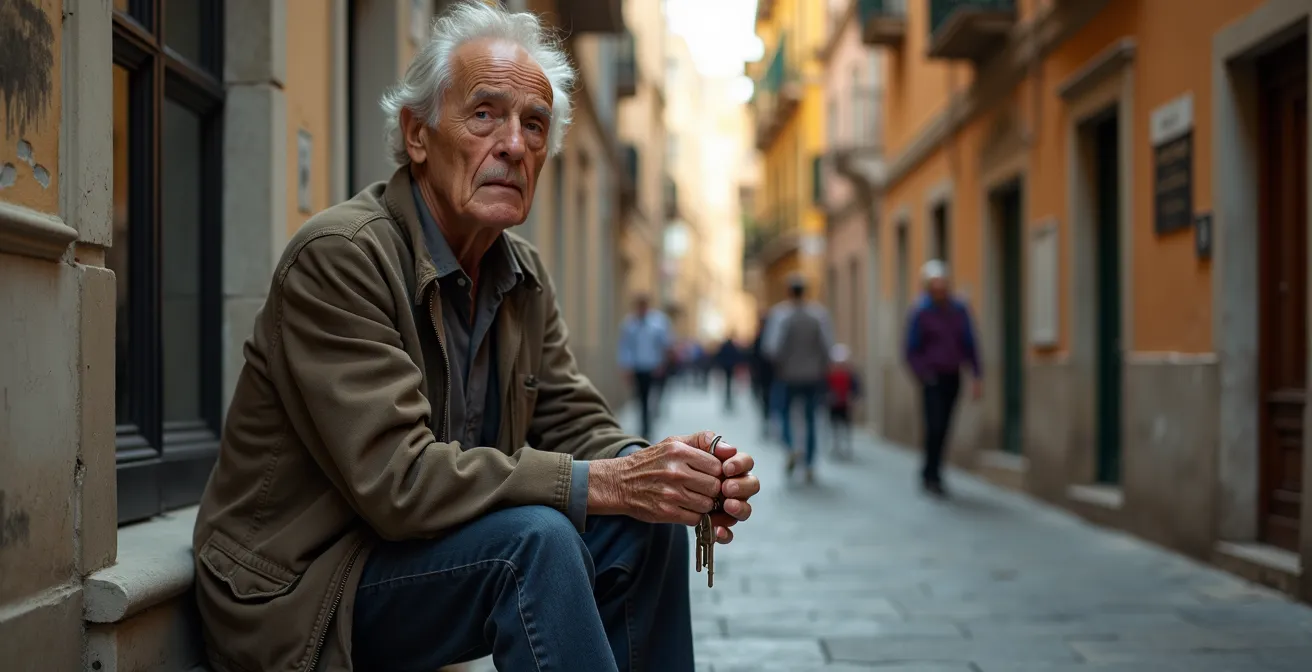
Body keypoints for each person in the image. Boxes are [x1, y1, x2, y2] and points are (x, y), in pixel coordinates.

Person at [191, 4, 761, 671]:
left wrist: (666, 472)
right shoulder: (341, 256)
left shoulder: (521, 272)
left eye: (535, 124)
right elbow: (398, 481)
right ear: (418, 135)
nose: (514, 145)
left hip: (411, 555)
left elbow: (575, 422)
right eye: (484, 114)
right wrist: (605, 482)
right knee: (536, 543)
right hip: (301, 589)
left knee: (644, 525)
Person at [904, 259, 982, 497]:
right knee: (934, 425)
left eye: (942, 283)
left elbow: (970, 343)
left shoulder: (958, 309)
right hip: (932, 378)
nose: (939, 288)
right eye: (935, 283)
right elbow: (910, 349)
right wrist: (922, 374)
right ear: (928, 286)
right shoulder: (920, 311)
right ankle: (931, 473)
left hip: (953, 376)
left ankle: (934, 470)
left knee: (945, 426)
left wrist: (978, 375)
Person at [762, 273, 835, 483]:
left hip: (787, 375)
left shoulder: (780, 315)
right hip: (813, 375)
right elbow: (827, 346)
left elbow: (771, 348)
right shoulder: (818, 314)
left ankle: (791, 447)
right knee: (811, 418)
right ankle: (810, 463)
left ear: (788, 291)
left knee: (783, 413)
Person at [618, 293, 672, 441]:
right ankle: (645, 428)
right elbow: (625, 347)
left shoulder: (658, 322)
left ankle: (649, 423)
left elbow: (665, 345)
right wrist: (626, 367)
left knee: (653, 397)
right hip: (638, 367)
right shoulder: (629, 324)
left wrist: (662, 364)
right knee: (641, 399)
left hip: (654, 367)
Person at [826, 343, 862, 459]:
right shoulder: (829, 375)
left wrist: (854, 398)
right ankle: (835, 446)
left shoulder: (851, 375)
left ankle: (847, 447)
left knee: (846, 426)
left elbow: (856, 388)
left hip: (845, 404)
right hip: (833, 404)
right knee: (834, 426)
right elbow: (824, 388)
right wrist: (827, 397)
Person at [749, 312, 775, 438]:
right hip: (768, 375)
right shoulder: (771, 337)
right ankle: (768, 423)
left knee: (766, 400)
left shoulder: (762, 338)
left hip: (765, 375)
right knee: (767, 400)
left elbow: (753, 358)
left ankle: (768, 423)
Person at [714, 335, 742, 412]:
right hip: (730, 367)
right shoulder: (732, 347)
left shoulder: (724, 347)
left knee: (728, 384)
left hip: (726, 367)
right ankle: (728, 398)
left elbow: (719, 355)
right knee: (729, 383)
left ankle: (728, 398)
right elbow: (737, 356)